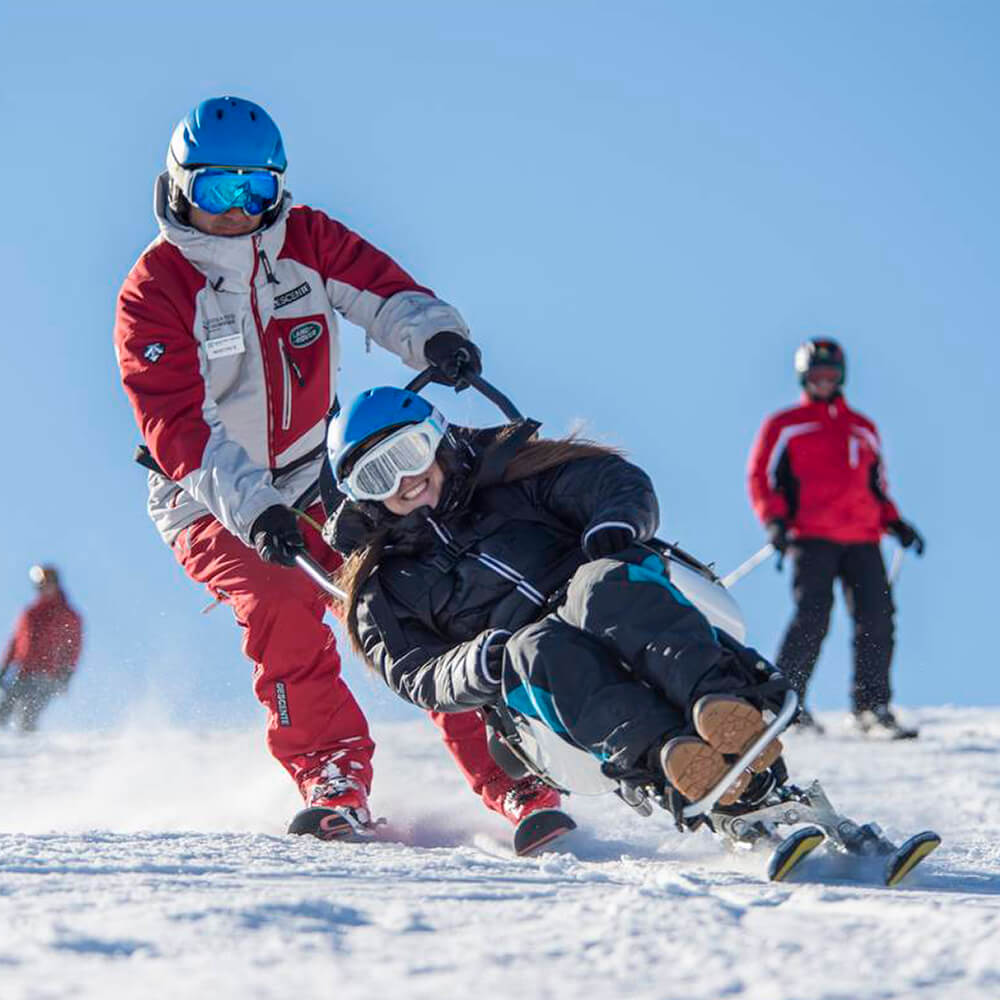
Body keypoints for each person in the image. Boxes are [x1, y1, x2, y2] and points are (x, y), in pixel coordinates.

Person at [113, 95, 547, 839]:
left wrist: (435, 338)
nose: (240, 209)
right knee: (283, 599)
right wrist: (257, 511)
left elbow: (388, 294)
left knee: (429, 586)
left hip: (316, 476)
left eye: (258, 189)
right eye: (220, 190)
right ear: (182, 186)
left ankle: (514, 777)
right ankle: (332, 769)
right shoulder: (156, 290)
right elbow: (180, 429)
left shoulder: (306, 240)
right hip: (209, 498)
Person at [323, 386, 788, 816]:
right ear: (362, 499)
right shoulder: (384, 588)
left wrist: (615, 524)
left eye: (409, 454)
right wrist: (476, 664)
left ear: (438, 440)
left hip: (612, 601)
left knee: (599, 586)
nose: (403, 480)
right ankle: (671, 758)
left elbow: (610, 482)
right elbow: (414, 670)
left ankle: (723, 704)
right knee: (535, 646)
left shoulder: (511, 477)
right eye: (377, 476)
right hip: (538, 685)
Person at [747, 338, 925, 739]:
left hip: (863, 537)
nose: (823, 382)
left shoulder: (862, 428)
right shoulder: (786, 423)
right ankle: (787, 705)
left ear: (841, 377)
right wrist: (774, 520)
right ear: (803, 377)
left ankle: (871, 707)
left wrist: (895, 523)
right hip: (811, 536)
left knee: (877, 617)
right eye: (816, 375)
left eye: (830, 375)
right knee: (813, 615)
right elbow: (760, 476)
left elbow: (876, 485)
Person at [0, 566, 83, 732]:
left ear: (56, 585)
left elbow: (73, 647)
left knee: (28, 713)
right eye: (41, 585)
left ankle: (28, 751)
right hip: (22, 671)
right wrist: (4, 667)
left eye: (48, 583)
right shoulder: (30, 613)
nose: (44, 588)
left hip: (46, 675)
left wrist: (67, 672)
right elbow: (15, 642)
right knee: (4, 708)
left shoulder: (67, 615)